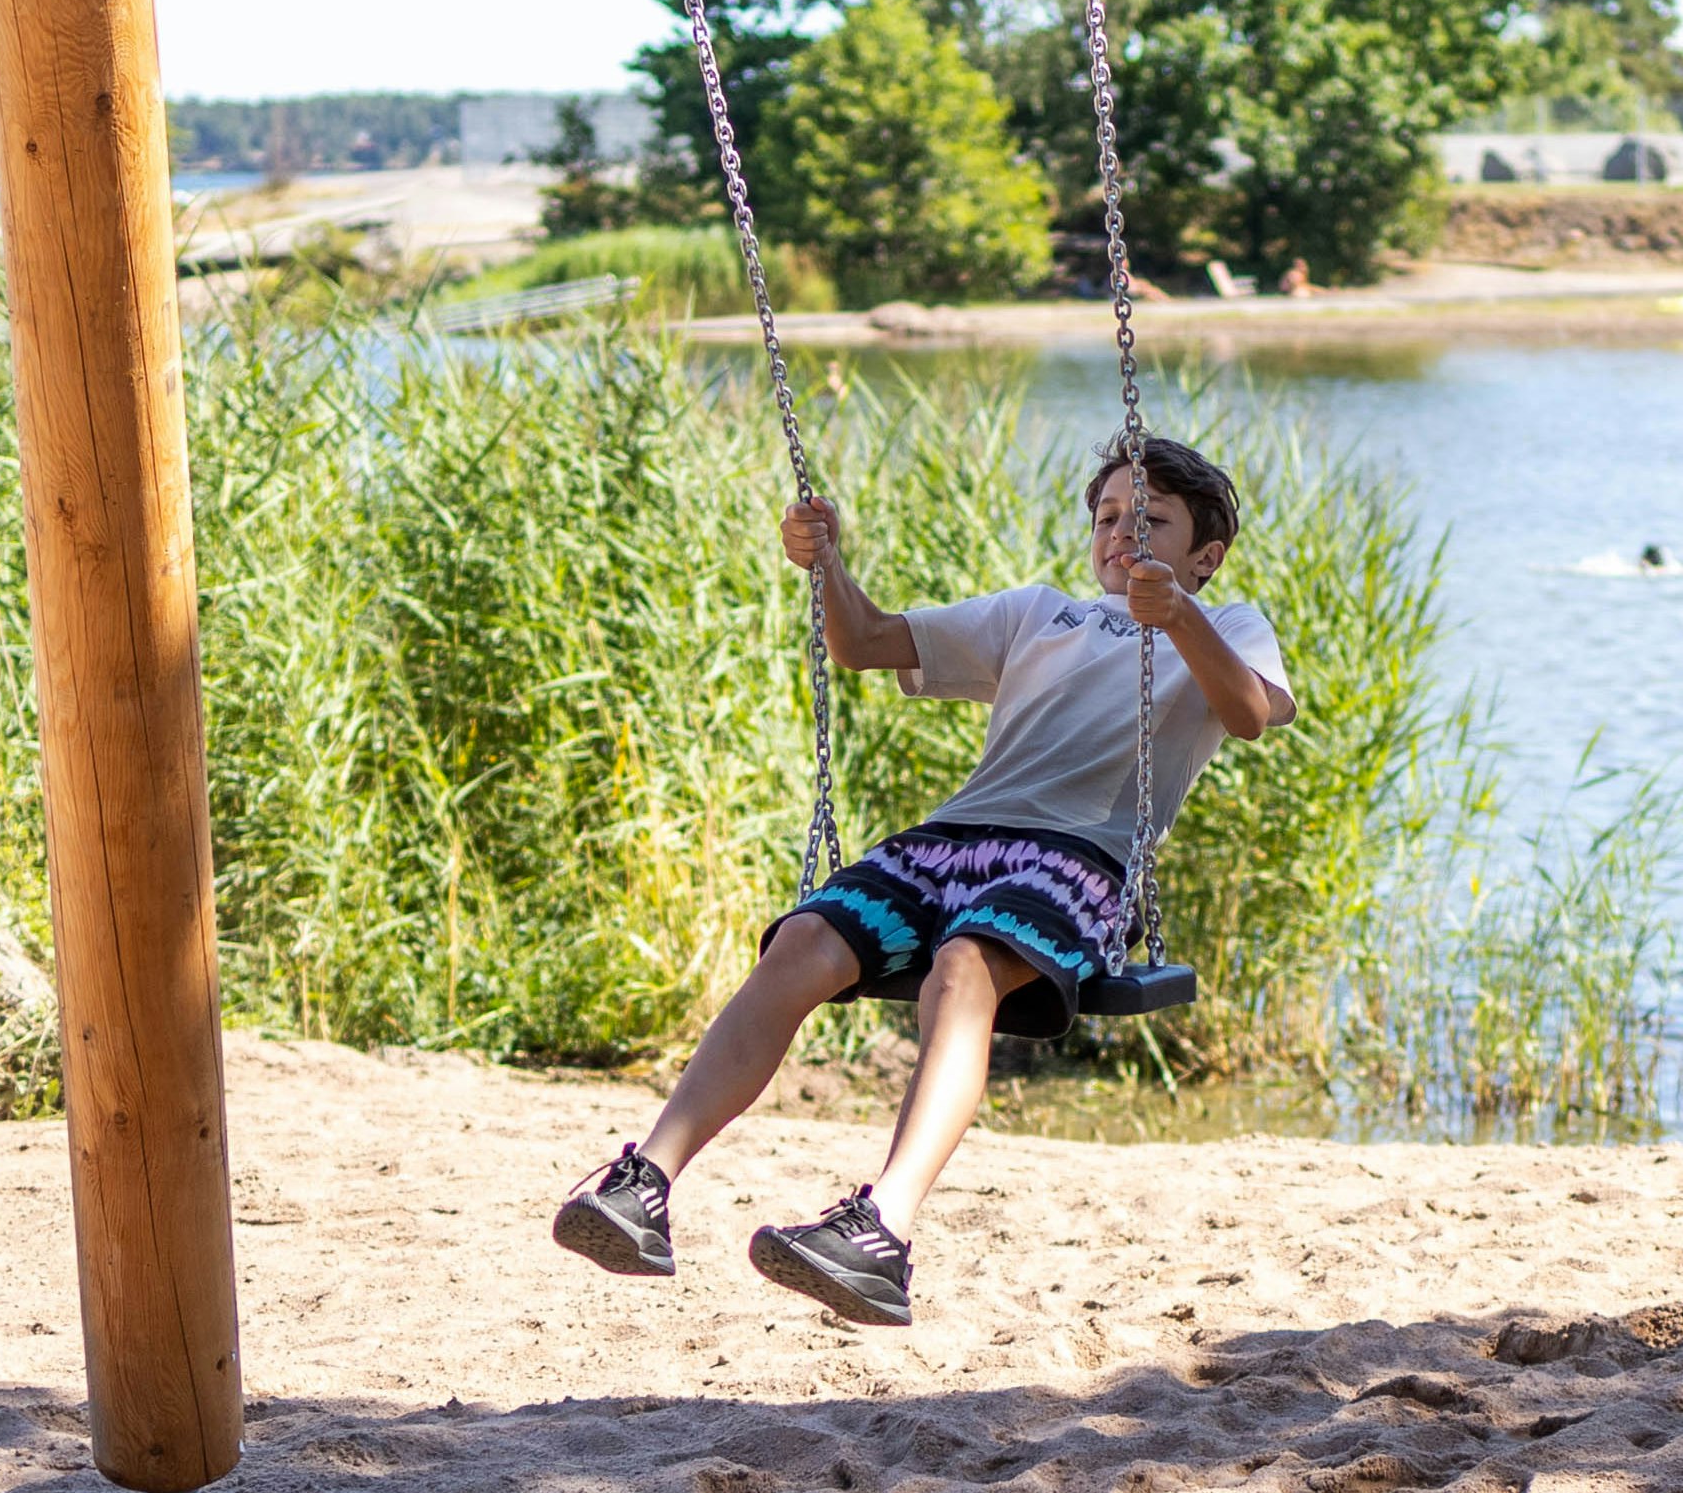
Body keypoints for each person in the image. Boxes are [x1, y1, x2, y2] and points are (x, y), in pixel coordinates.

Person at [555, 436, 1294, 1331]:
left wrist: (1175, 615)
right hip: (949, 843)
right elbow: (863, 643)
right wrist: (827, 561)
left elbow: (1249, 714)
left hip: (1078, 858)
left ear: (1204, 555)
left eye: (1150, 520)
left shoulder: (1227, 626)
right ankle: (647, 1182)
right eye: (1106, 516)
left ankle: (882, 1231)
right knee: (800, 944)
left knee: (965, 966)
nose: (1119, 534)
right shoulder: (1035, 614)